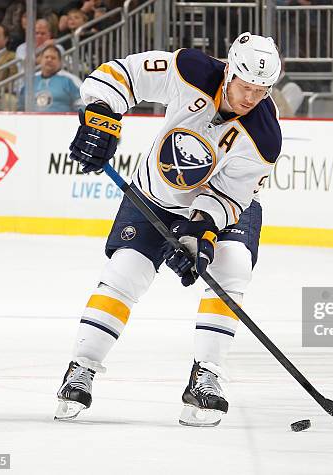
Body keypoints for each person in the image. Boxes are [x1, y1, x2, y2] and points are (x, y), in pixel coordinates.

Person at [55, 32, 282, 427]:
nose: (251, 99)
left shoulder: (264, 136)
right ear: (229, 70)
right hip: (152, 195)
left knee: (232, 267)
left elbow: (229, 197)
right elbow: (121, 74)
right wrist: (102, 114)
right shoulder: (190, 70)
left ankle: (206, 375)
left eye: (261, 92)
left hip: (221, 207)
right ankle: (82, 368)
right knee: (125, 273)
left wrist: (199, 233)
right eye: (246, 87)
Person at [18, 45, 81, 112]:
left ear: (60, 62)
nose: (49, 60)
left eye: (53, 58)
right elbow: (21, 105)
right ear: (41, 60)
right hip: (33, 121)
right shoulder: (31, 80)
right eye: (46, 57)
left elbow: (82, 103)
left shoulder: (70, 80)